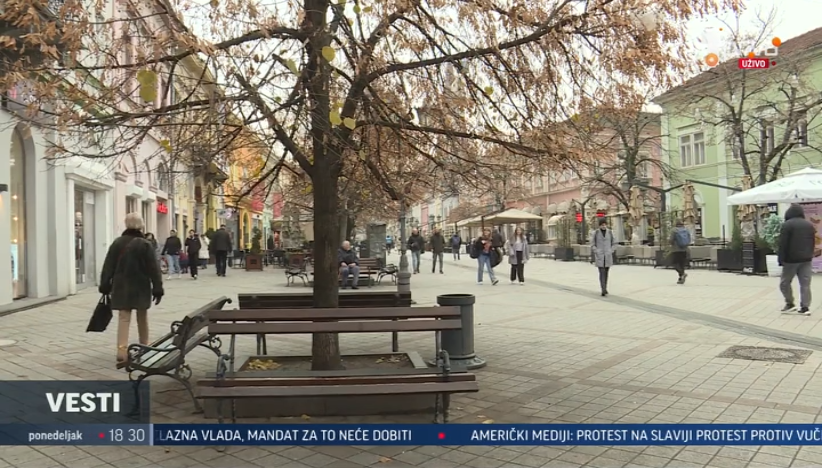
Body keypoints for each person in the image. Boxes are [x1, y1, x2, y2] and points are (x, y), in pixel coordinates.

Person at [99, 213, 163, 368]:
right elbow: (154, 268)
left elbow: (108, 266)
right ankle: (145, 345)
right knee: (142, 317)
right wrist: (158, 287)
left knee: (123, 318)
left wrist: (105, 284)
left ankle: (122, 350)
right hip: (141, 286)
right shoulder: (145, 244)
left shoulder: (117, 243)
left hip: (122, 285)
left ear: (126, 224)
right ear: (140, 225)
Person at [778, 204, 816, 314]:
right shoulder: (809, 225)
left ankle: (790, 303)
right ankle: (805, 307)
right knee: (805, 284)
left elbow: (783, 244)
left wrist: (781, 259)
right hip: (806, 260)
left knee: (784, 283)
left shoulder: (787, 225)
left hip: (791, 260)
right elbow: (812, 242)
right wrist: (810, 254)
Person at [590, 219, 616, 296]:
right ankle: (603, 289)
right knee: (601, 272)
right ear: (599, 225)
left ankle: (605, 287)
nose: (603, 226)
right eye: (602, 225)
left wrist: (611, 250)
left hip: (607, 255)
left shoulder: (610, 232)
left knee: (606, 273)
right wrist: (596, 250)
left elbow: (614, 243)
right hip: (600, 255)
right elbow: (592, 244)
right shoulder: (596, 233)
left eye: (605, 225)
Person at [669, 220, 691, 284]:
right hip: (684, 249)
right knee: (682, 264)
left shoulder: (674, 230)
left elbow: (671, 240)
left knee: (674, 263)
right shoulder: (686, 230)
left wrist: (671, 244)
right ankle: (681, 278)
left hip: (676, 249)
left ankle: (682, 274)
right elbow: (689, 239)